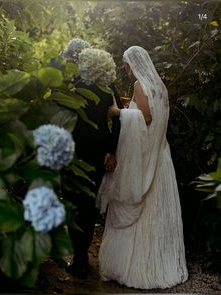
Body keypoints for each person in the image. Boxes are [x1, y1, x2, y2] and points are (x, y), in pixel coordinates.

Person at [97, 46, 188, 289]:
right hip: (161, 156)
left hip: (145, 157)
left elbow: (145, 119)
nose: (126, 70)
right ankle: (157, 261)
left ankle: (136, 267)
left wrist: (118, 112)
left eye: (126, 65)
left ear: (134, 63)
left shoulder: (140, 84)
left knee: (142, 208)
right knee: (156, 211)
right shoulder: (161, 87)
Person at [60, 38, 123, 278]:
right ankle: (82, 256)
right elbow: (118, 120)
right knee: (88, 205)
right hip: (98, 149)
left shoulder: (73, 84)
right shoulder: (109, 88)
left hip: (74, 149)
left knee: (75, 203)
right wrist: (112, 150)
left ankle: (80, 258)